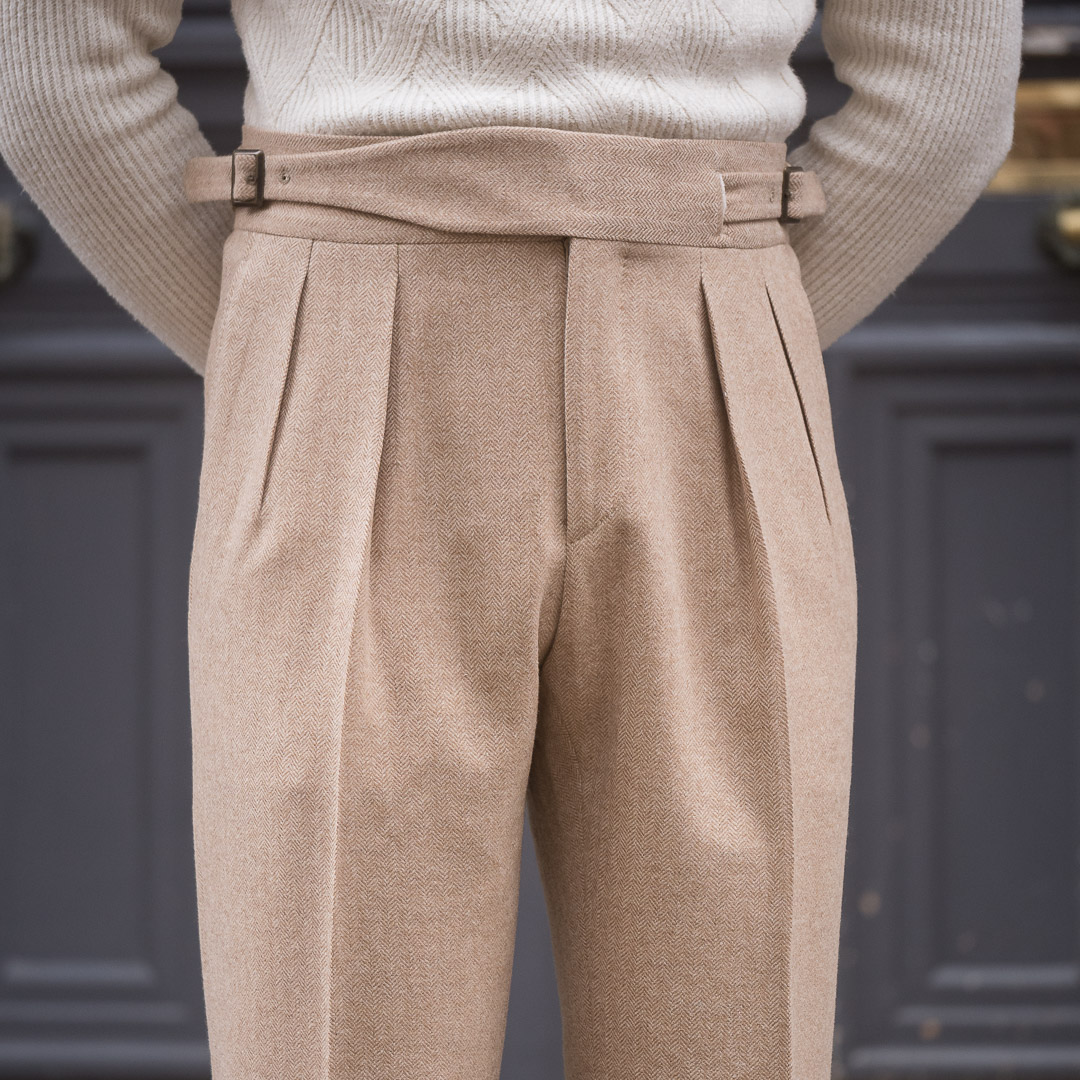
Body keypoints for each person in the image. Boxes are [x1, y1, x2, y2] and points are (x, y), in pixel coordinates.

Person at [0, 2, 1022, 1079]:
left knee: (351, 1030)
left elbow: (55, 51)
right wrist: (730, 346)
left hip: (384, 326)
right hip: (650, 320)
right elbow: (944, 74)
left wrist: (290, 350)